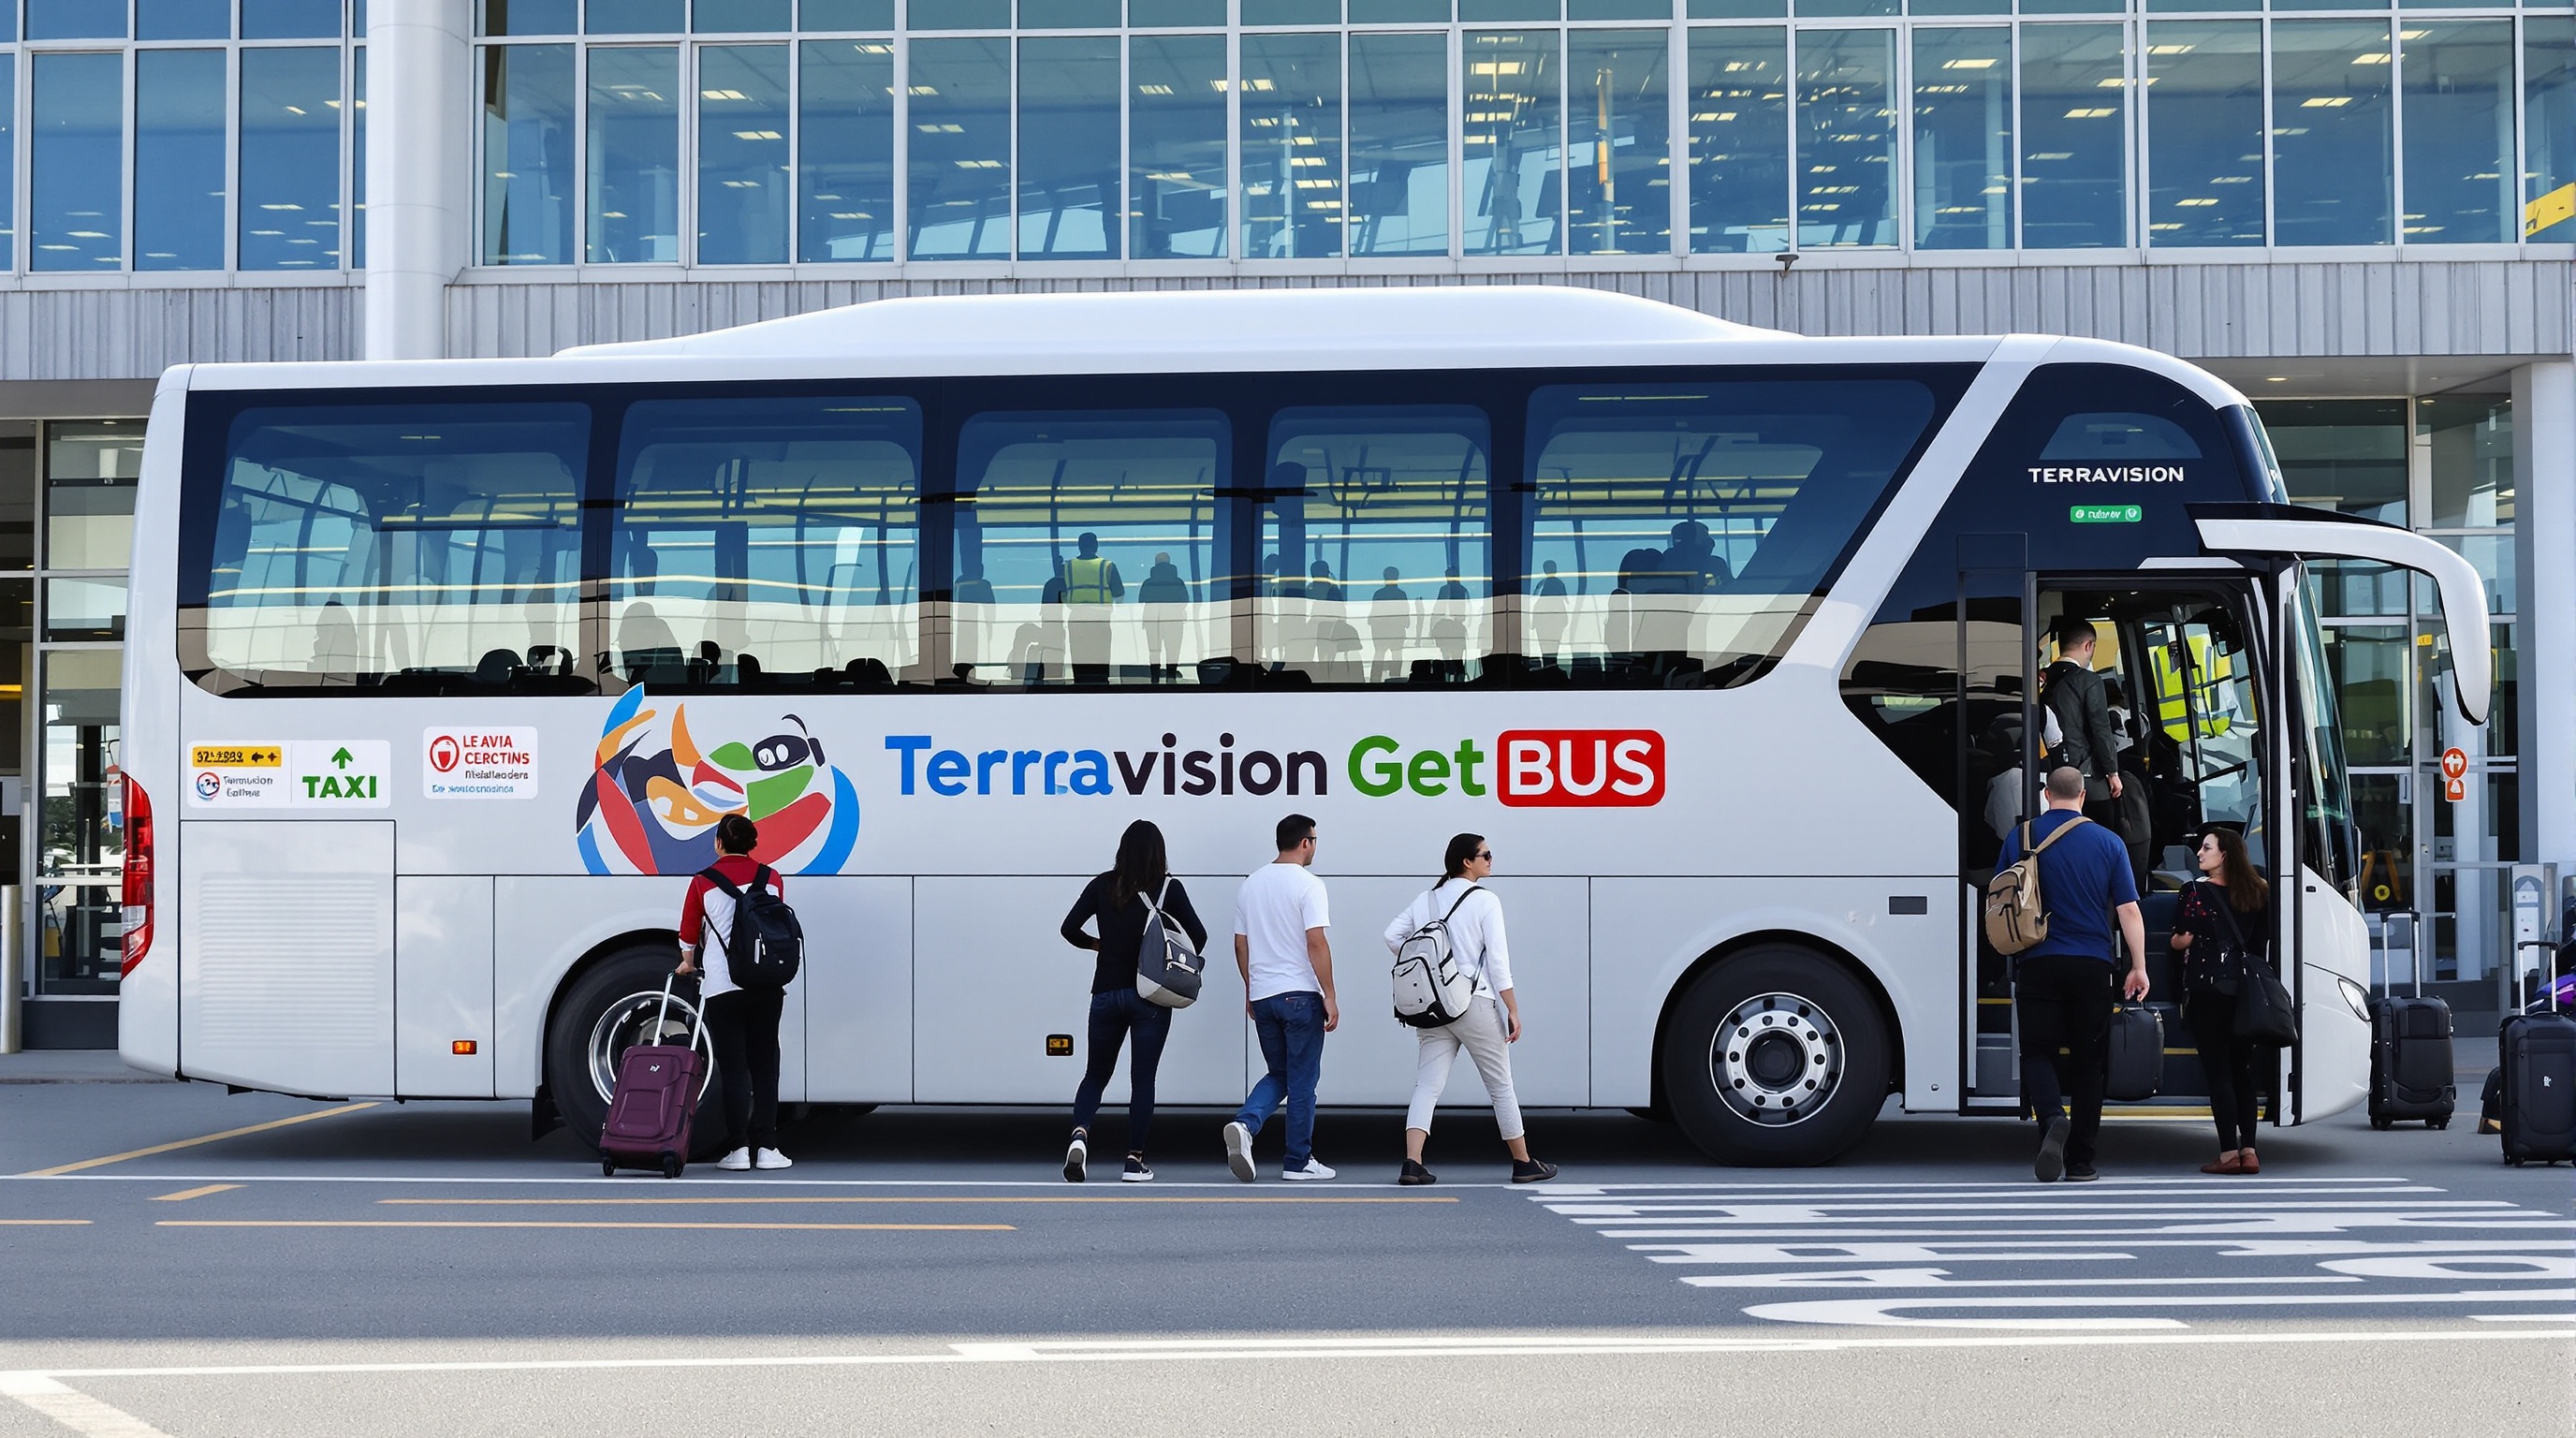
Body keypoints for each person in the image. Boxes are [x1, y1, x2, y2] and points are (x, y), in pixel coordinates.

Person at [2000, 765, 2149, 1183]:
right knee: (2089, 1063)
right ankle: (2081, 1161)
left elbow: (2000, 896)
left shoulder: (2021, 838)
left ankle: (2051, 1119)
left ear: (2047, 794)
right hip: (2092, 964)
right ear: (2083, 796)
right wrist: (2138, 966)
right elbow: (2128, 911)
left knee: (2037, 1051)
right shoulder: (2109, 842)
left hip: (2037, 960)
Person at [1383, 833, 1557, 1186]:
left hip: (1433, 1007)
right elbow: (1498, 962)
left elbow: (1391, 936)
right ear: (1467, 861)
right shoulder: (1485, 902)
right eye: (1486, 854)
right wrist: (1513, 1008)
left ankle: (1412, 1163)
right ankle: (1523, 1162)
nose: (1491, 860)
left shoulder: (1426, 900)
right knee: (1500, 1085)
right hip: (1475, 1002)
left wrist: (1433, 969)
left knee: (1427, 1085)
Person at [1059, 820, 1207, 1182]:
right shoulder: (1169, 888)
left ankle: (1080, 1134)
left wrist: (1098, 945)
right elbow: (1199, 936)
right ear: (1159, 851)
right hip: (1150, 996)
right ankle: (1133, 1161)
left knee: (1096, 1074)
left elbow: (1068, 928)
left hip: (1106, 993)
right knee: (1142, 1080)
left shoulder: (1102, 885)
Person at [1223, 814, 1339, 1181]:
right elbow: (1316, 942)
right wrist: (1331, 995)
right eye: (1315, 840)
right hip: (1300, 996)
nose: (1315, 846)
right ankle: (1298, 1161)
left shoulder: (1251, 885)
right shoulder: (1309, 885)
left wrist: (1250, 990)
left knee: (1280, 1074)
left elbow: (1240, 945)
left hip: (1263, 996)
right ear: (1305, 842)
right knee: (1303, 1080)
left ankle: (1245, 1125)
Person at [674, 814, 792, 1172]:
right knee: (765, 1066)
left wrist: (687, 962)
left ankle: (739, 1150)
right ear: (752, 843)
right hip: (767, 984)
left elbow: (687, 934)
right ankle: (768, 1148)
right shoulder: (771, 878)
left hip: (724, 986)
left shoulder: (702, 882)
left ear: (718, 843)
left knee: (735, 1069)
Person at [2170, 827, 2273, 1174]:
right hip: (2244, 993)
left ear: (2224, 854)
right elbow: (2260, 947)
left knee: (2218, 1073)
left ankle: (2228, 1153)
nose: (2199, 853)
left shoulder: (2194, 892)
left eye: (2206, 848)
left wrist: (2177, 941)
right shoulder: (2259, 892)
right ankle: (2250, 1150)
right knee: (2241, 1072)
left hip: (2207, 990)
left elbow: (2182, 939)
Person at [2042, 617, 2125, 824]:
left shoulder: (2042, 679)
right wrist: (2112, 772)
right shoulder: (2090, 681)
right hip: (2085, 775)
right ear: (2089, 645)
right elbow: (2100, 728)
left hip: (2050, 771)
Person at [1061, 533, 1124, 683]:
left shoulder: (1067, 566)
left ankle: (1080, 681)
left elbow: (1060, 592)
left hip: (1076, 616)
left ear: (1079, 546)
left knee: (1078, 653)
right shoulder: (1107, 566)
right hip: (1100, 617)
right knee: (1100, 652)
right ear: (1096, 546)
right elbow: (1119, 594)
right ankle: (1101, 682)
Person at [1136, 552, 1190, 681]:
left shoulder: (1148, 582)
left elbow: (1141, 600)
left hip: (1152, 621)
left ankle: (1154, 677)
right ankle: (1171, 676)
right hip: (1174, 621)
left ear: (1155, 564)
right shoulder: (1178, 582)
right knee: (1173, 650)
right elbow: (1185, 601)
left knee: (1154, 650)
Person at [1369, 567, 1412, 682]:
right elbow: (1405, 614)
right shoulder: (1401, 594)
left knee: (1379, 654)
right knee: (1396, 655)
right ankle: (1395, 679)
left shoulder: (1379, 594)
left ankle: (1375, 679)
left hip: (1381, 631)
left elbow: (1374, 615)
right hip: (1396, 631)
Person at [1531, 560, 1569, 667]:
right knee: (1550, 648)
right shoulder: (1557, 583)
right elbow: (1565, 600)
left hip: (1547, 620)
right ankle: (1551, 667)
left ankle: (1550, 667)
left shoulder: (1542, 584)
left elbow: (1535, 600)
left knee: (1548, 648)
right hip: (1550, 620)